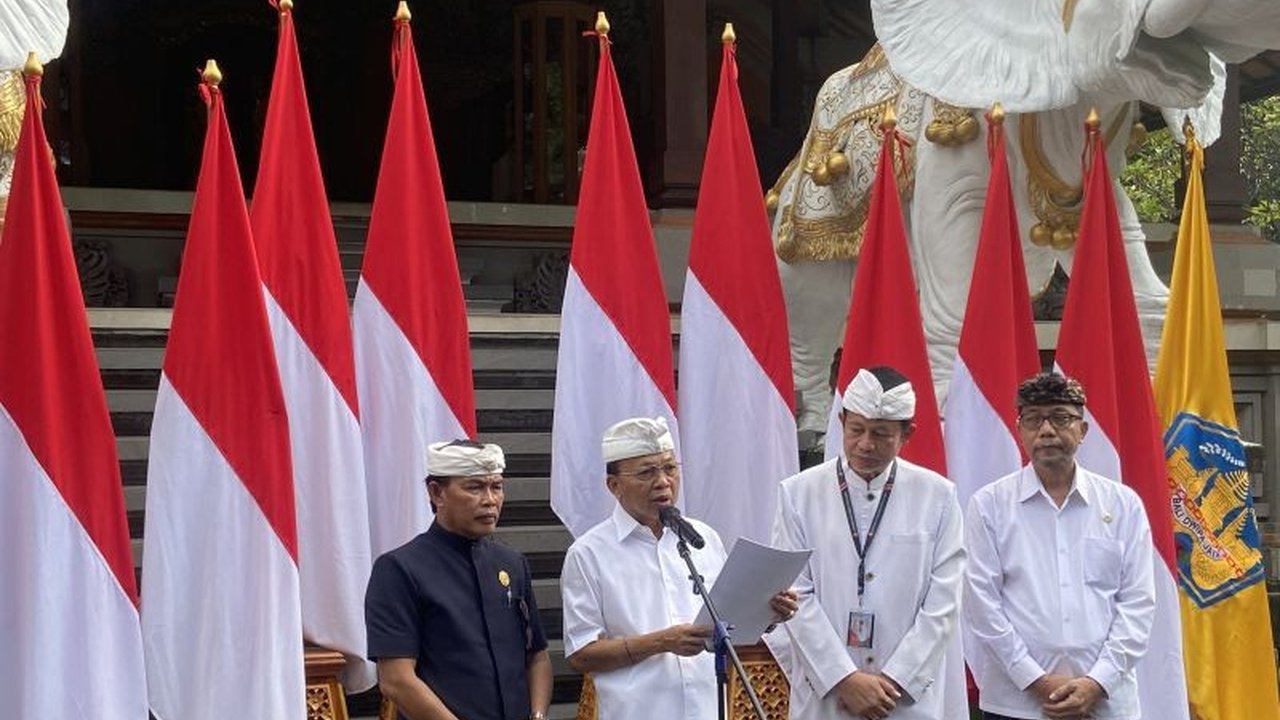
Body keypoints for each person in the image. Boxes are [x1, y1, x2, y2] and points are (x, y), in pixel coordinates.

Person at [559, 416, 798, 719]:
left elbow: (724, 623)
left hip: (708, 708)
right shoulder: (589, 553)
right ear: (614, 485)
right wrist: (661, 642)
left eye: (670, 468)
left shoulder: (703, 538)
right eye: (647, 472)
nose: (663, 481)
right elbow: (581, 654)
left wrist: (768, 613)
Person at [769, 366, 967, 720]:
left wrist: (895, 679)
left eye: (881, 434)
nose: (865, 444)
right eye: (856, 429)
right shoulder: (799, 493)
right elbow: (795, 594)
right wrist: (844, 679)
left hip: (905, 698)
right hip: (828, 694)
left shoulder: (937, 496)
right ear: (842, 421)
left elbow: (944, 600)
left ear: (908, 433)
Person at [963, 372, 1155, 720]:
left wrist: (1096, 683)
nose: (1047, 430)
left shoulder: (1123, 504)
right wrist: (1035, 680)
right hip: (1017, 703)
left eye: (1061, 417)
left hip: (1106, 702)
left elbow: (1138, 604)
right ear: (1019, 429)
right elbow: (982, 606)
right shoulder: (989, 505)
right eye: (1034, 419)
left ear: (1082, 430)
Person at [365, 440, 552, 720]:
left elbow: (537, 656)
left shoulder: (512, 564)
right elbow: (396, 679)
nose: (490, 500)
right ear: (436, 492)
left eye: (496, 486)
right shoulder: (399, 569)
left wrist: (537, 715)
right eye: (474, 487)